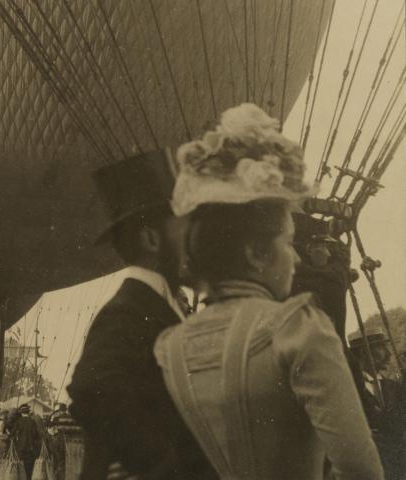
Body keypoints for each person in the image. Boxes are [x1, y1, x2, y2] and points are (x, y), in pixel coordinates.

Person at [154, 103, 383, 480]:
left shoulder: (171, 347)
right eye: (287, 242)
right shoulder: (299, 329)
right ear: (255, 253)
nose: (293, 258)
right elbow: (361, 470)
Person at [67, 149, 216, 479]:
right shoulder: (128, 311)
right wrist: (162, 467)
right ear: (152, 239)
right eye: (186, 230)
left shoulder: (156, 305)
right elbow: (91, 389)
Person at [348, 327, 405, 480]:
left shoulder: (394, 387)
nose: (388, 353)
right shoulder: (350, 391)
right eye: (380, 347)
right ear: (362, 352)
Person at [11, 404, 40, 477]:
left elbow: (12, 433)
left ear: (21, 413)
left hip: (20, 447)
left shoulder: (18, 422)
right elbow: (36, 435)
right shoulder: (32, 421)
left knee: (21, 466)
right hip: (31, 447)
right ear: (28, 412)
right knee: (29, 467)